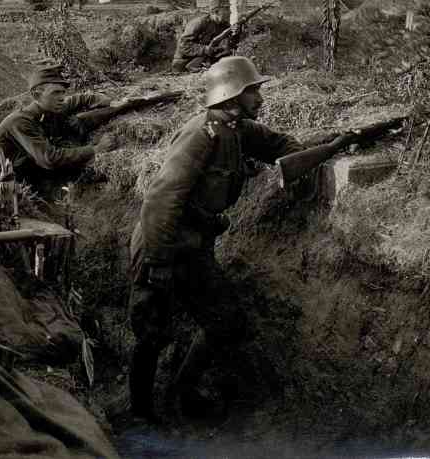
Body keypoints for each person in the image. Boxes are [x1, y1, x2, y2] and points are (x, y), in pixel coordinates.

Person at [128, 56, 347, 423]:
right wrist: (159, 260)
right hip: (163, 244)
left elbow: (282, 146)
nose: (260, 98)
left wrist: (314, 158)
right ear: (231, 95)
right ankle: (141, 415)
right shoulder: (202, 135)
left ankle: (182, 393)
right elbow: (161, 198)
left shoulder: (238, 130)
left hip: (195, 245)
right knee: (151, 331)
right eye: (253, 91)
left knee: (226, 322)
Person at [0, 65, 118, 199]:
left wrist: (97, 98)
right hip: (3, 180)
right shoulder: (20, 122)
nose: (61, 98)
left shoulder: (51, 106)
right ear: (36, 95)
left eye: (62, 92)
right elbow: (49, 158)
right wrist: (95, 149)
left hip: (30, 167)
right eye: (55, 93)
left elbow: (77, 100)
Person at [171, 0, 238, 73]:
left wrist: (235, 34)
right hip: (184, 63)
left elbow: (231, 46)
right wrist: (205, 49)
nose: (230, 12)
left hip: (204, 60)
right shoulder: (199, 23)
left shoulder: (224, 25)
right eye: (226, 9)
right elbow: (183, 45)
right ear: (216, 12)